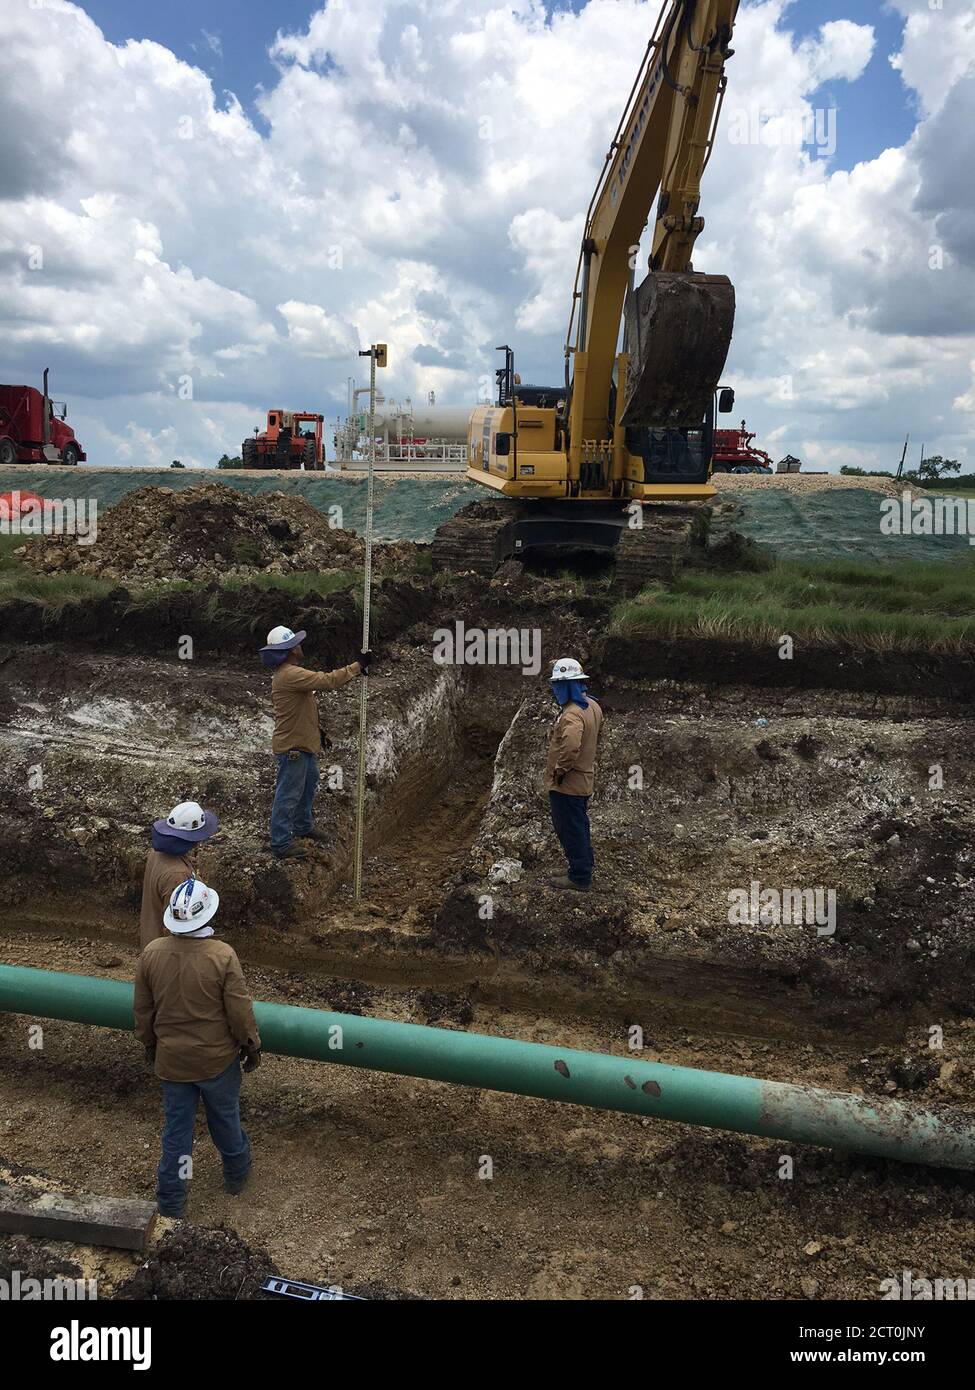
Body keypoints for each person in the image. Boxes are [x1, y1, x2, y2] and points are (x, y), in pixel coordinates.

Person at [134, 877, 261, 1218]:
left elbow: (144, 1010)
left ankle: (172, 1203)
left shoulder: (151, 954)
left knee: (177, 1132)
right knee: (224, 1119)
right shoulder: (222, 955)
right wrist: (251, 1045)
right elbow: (238, 1009)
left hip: (173, 1063)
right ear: (207, 915)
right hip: (216, 1061)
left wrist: (149, 1044)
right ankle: (236, 1174)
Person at [259, 624, 370, 860]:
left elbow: (302, 711)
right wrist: (357, 666)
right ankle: (280, 843)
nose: (300, 646)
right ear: (290, 650)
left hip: (303, 745)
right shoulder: (290, 674)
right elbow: (327, 680)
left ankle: (303, 826)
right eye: (296, 644)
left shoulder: (289, 673)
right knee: (288, 794)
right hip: (293, 749)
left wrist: (318, 734)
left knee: (308, 786)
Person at [545, 657, 603, 892]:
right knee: (579, 824)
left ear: (567, 686)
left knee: (569, 827)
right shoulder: (592, 706)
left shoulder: (571, 715)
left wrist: (560, 770)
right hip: (583, 780)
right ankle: (583, 865)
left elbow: (570, 747)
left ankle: (579, 876)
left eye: (558, 685)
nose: (555, 690)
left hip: (568, 783)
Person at [139, 800, 218, 949]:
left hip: (152, 943)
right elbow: (178, 927)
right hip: (169, 955)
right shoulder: (178, 876)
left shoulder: (156, 854)